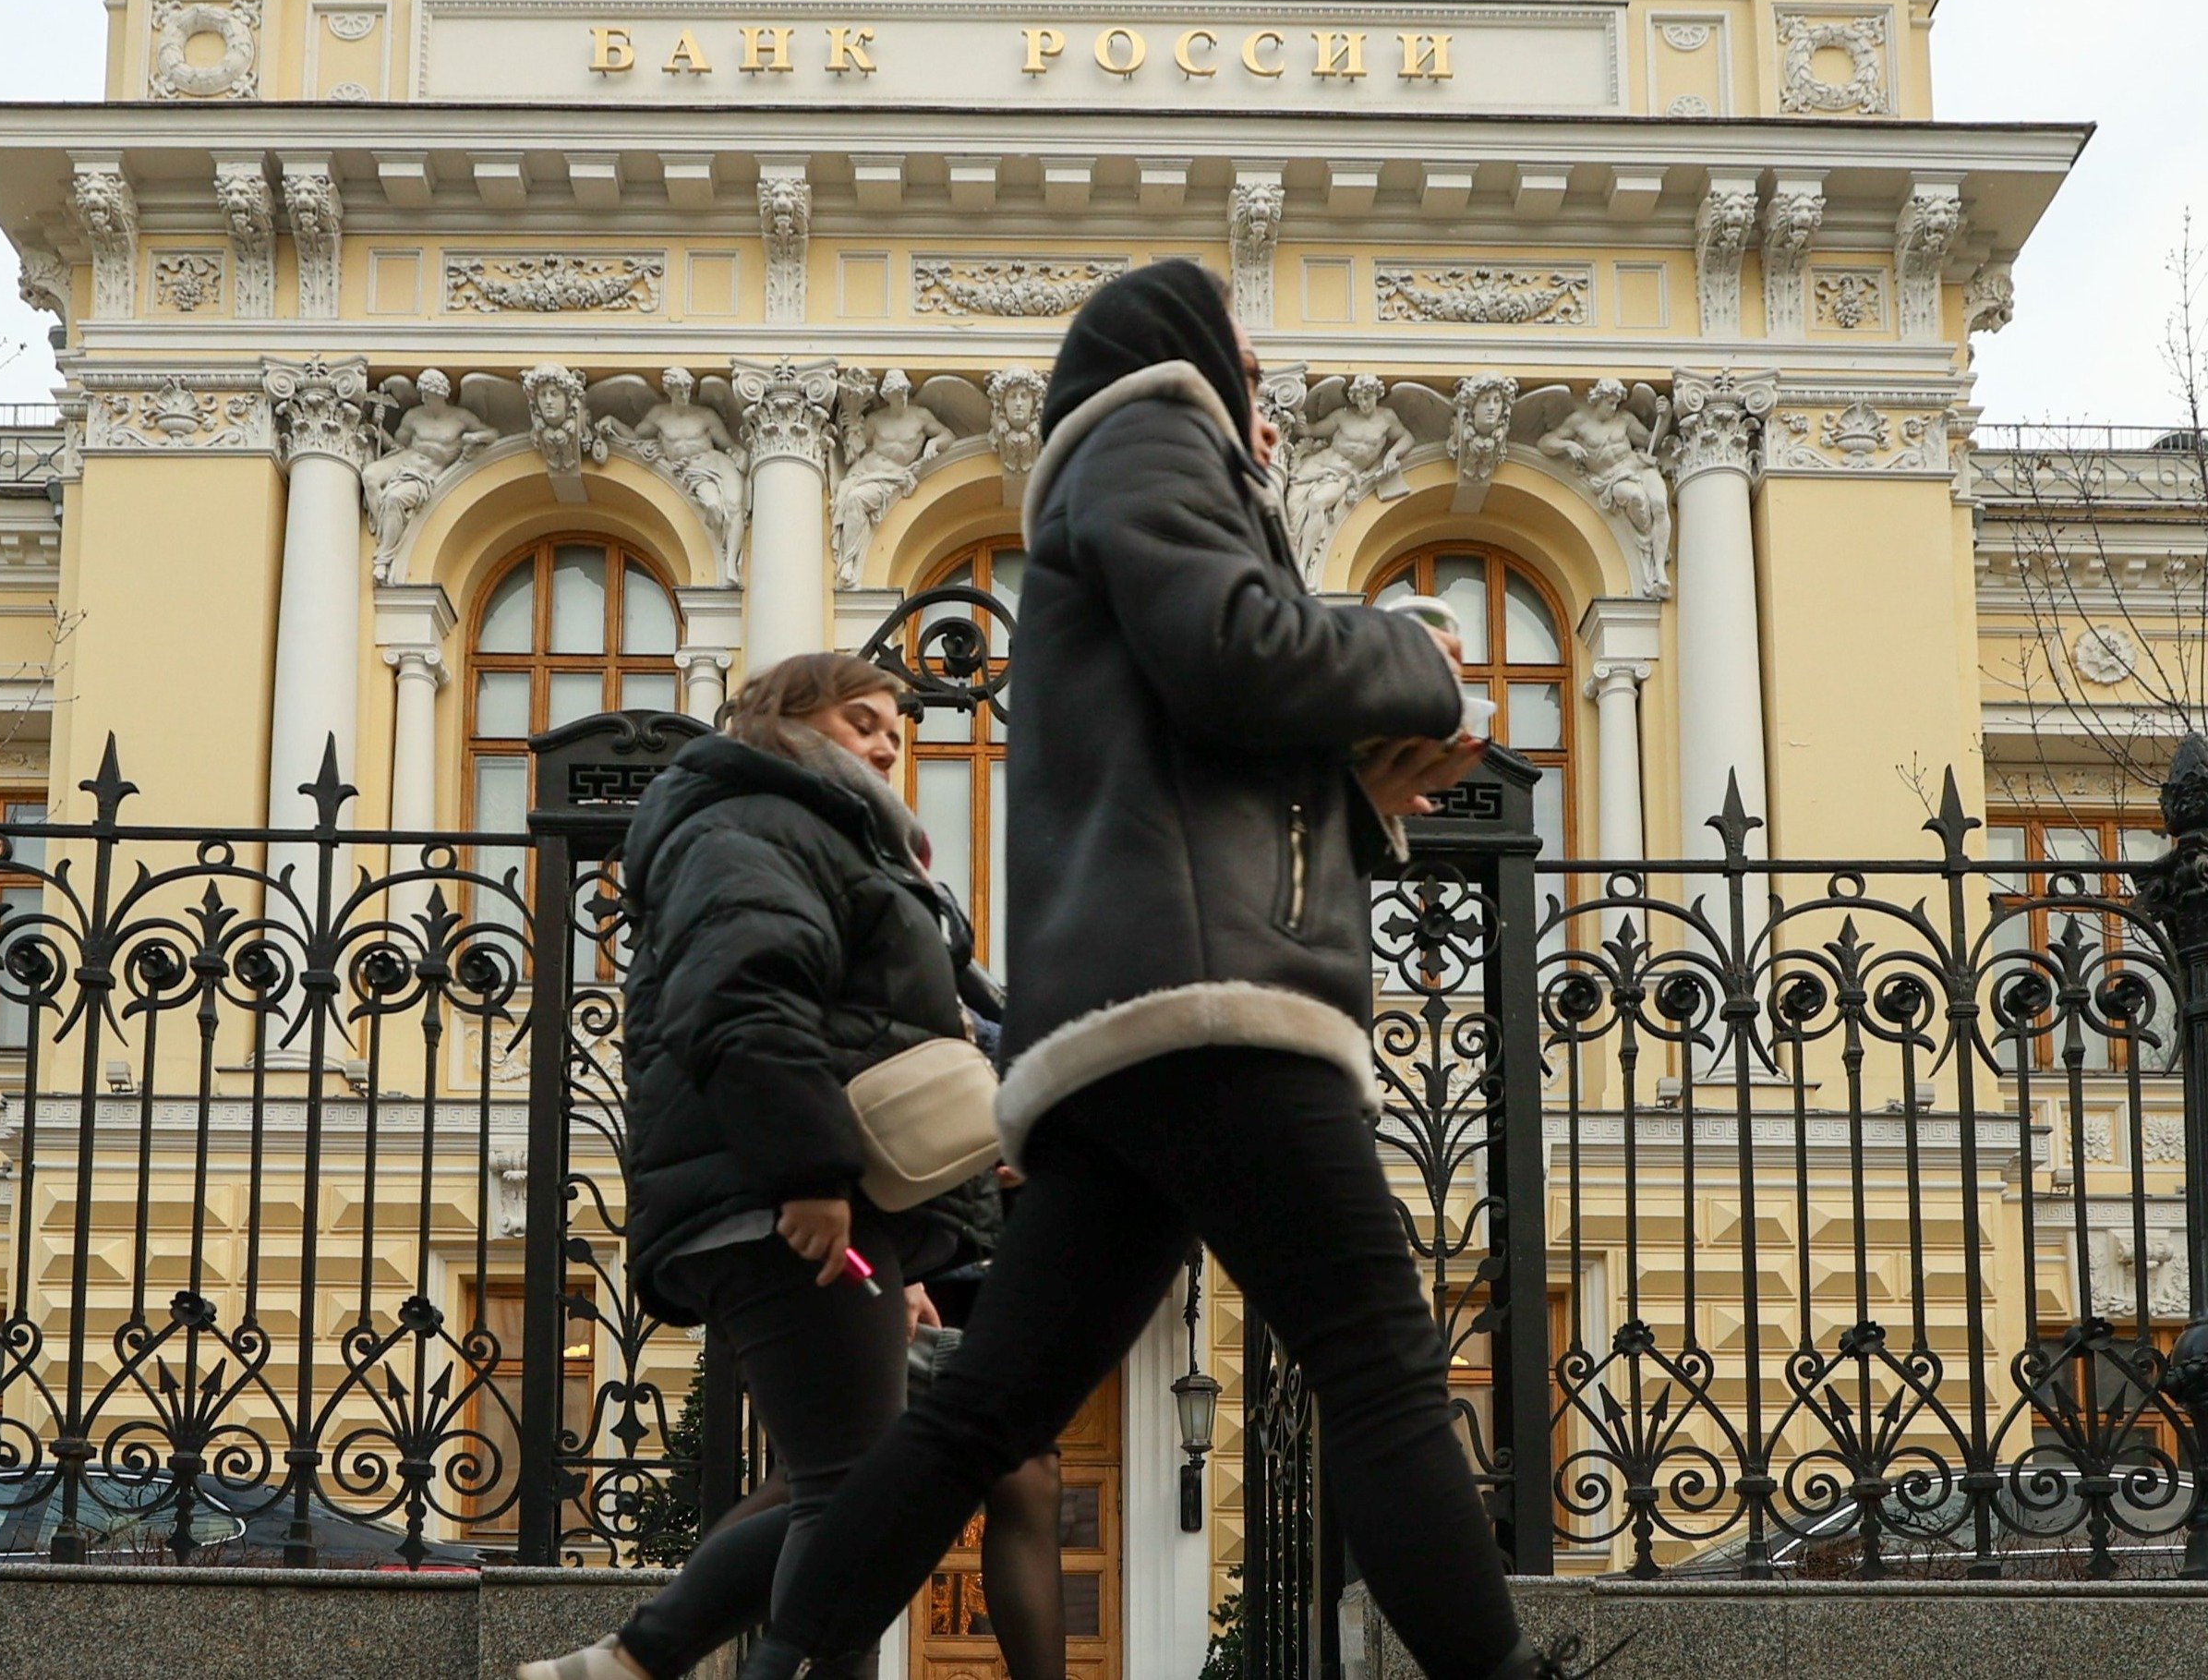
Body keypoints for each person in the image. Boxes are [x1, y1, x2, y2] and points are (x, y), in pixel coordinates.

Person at [736, 260, 1600, 1680]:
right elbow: (1233, 655)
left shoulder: (1139, 490)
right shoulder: (1146, 435)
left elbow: (1202, 747)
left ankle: (777, 1666)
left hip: (1131, 1030)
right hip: (1212, 1013)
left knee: (982, 1413)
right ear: (1184, 357)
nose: (1267, 414)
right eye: (1252, 377)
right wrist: (1419, 658)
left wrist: (1366, 785)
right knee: (1381, 1364)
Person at [521, 652, 998, 1680]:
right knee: (853, 1497)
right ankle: (639, 1659)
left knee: (849, 1485)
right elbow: (740, 997)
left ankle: (633, 1660)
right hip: (773, 1193)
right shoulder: (750, 818)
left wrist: (891, 1249)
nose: (883, 739)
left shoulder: (823, 828)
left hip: (816, 1194)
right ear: (786, 716)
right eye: (858, 718)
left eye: (891, 727)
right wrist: (811, 1174)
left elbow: (855, 1018)